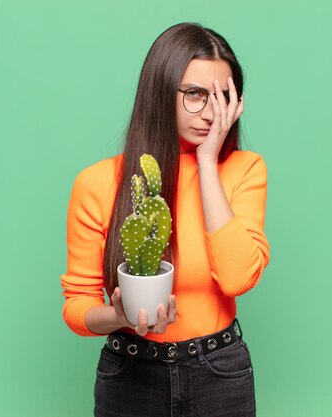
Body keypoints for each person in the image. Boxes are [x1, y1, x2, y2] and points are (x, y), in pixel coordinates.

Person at [61, 22, 270, 417]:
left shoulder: (245, 170)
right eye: (194, 94)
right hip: (130, 374)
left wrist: (208, 162)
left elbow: (237, 277)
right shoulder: (99, 182)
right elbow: (77, 305)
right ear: (160, 90)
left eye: (222, 97)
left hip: (219, 371)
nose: (210, 112)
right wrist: (118, 317)